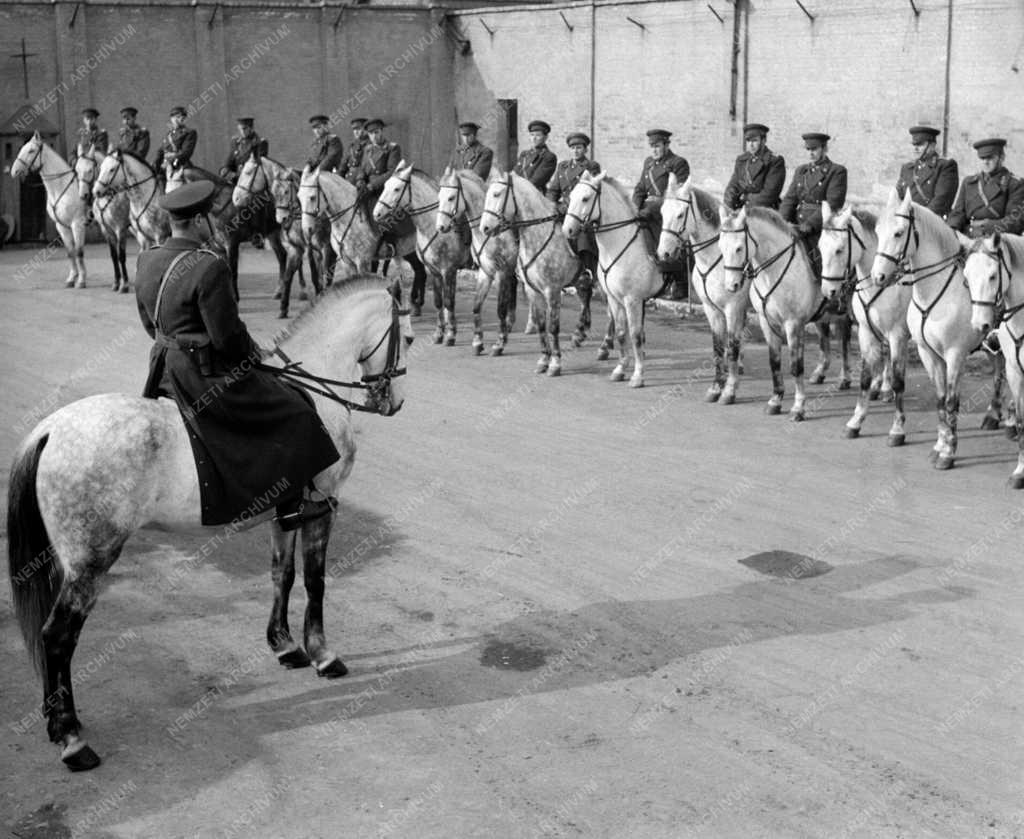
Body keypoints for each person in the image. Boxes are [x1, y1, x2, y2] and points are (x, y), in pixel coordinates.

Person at [135, 180, 340, 529]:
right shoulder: (209, 265)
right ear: (200, 221)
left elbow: (149, 323)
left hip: (164, 368)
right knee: (296, 410)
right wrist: (256, 355)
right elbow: (227, 340)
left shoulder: (147, 258)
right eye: (211, 217)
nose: (215, 223)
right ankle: (291, 506)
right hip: (201, 374)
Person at [632, 128, 690, 299]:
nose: (654, 150)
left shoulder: (678, 163)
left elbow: (678, 194)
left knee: (669, 235)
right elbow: (640, 188)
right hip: (647, 209)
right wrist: (634, 206)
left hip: (667, 209)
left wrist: (651, 208)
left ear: (666, 145)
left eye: (657, 146)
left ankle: (678, 280)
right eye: (652, 147)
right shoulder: (648, 163)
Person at [779, 132, 847, 277]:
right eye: (808, 150)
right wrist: (781, 221)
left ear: (824, 148)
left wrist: (809, 225)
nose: (811, 153)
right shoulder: (801, 171)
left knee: (819, 261)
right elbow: (790, 199)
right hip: (797, 223)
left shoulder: (836, 171)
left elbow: (833, 203)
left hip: (820, 226)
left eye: (814, 149)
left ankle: (823, 292)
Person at [547, 132, 601, 283]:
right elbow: (553, 190)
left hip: (581, 211)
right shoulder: (562, 166)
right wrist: (552, 205)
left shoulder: (591, 166)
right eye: (573, 148)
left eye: (579, 148)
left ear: (585, 150)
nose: (575, 151)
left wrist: (569, 207)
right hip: (563, 210)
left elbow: (589, 192)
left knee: (583, 236)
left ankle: (586, 271)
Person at [947, 138, 1024, 237]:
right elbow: (958, 213)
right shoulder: (969, 182)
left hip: (997, 238)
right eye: (982, 158)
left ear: (1002, 157)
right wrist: (951, 230)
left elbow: (1015, 221)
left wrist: (987, 226)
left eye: (990, 158)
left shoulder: (1014, 184)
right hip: (968, 236)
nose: (985, 162)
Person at [895, 126, 958, 218]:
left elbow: (941, 201)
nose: (916, 149)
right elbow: (898, 197)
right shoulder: (907, 169)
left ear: (932, 145)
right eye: (914, 145)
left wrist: (920, 219)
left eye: (920, 145)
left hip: (932, 223)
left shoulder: (945, 166)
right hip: (909, 223)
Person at [724, 122, 786, 210]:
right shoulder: (742, 160)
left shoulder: (774, 161)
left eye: (754, 141)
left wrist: (746, 200)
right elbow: (733, 186)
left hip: (763, 210)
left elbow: (769, 194)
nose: (751, 145)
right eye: (748, 141)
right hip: (741, 208)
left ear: (764, 140)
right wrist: (729, 207)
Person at [220, 117, 268, 183]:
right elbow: (230, 160)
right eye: (239, 129)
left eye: (244, 129)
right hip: (235, 181)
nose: (242, 132)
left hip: (251, 182)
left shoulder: (260, 143)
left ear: (251, 128)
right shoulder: (236, 142)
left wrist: (236, 175)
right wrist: (225, 169)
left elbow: (257, 167)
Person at [154, 106, 198, 178]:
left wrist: (171, 158)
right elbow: (161, 150)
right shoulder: (169, 134)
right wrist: (156, 164)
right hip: (164, 165)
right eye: (176, 117)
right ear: (171, 119)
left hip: (179, 164)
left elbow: (186, 152)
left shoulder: (189, 132)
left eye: (182, 118)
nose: (179, 119)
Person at [514, 120, 557, 189]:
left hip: (535, 195)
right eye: (532, 135)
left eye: (538, 135)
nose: (534, 138)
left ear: (545, 137)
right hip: (518, 192)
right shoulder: (524, 154)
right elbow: (515, 174)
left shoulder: (549, 157)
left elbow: (535, 182)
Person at [338, 118, 368, 183]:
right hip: (349, 178)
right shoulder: (352, 146)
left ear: (366, 130)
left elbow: (365, 167)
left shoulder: (370, 145)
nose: (356, 132)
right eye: (354, 129)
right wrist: (338, 178)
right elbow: (343, 165)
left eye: (359, 129)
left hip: (362, 180)